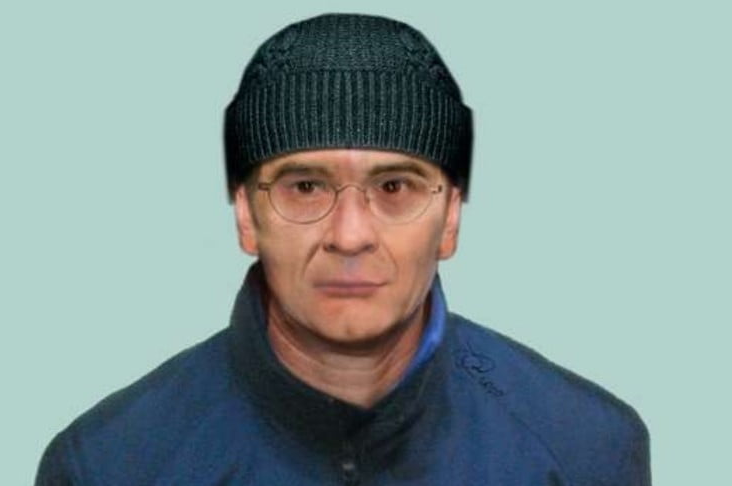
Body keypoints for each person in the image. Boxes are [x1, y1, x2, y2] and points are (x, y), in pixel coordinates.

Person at [35, 13, 650, 485]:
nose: (350, 234)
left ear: (450, 217)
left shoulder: (583, 449)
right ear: (246, 214)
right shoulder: (111, 464)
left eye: (394, 187)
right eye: (306, 187)